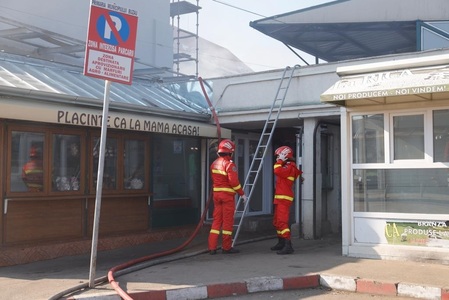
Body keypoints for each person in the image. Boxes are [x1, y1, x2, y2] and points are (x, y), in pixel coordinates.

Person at [208, 139, 247, 255]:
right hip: (227, 197)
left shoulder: (214, 164)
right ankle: (226, 247)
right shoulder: (229, 164)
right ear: (230, 152)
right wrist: (242, 194)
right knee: (227, 223)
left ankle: (212, 248)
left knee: (216, 222)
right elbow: (234, 182)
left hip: (217, 196)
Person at [271, 145, 302, 255]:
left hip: (284, 199)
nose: (277, 158)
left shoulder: (289, 166)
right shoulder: (287, 166)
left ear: (285, 156)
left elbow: (277, 171)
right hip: (280, 198)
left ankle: (288, 245)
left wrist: (279, 161)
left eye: (279, 156)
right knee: (277, 222)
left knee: (282, 222)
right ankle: (281, 242)